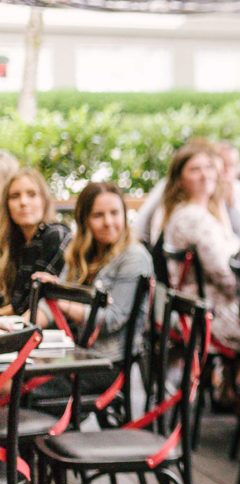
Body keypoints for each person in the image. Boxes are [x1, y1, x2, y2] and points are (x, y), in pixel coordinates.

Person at [31, 182, 152, 399]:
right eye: (98, 215)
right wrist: (22, 328)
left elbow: (112, 320)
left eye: (115, 213)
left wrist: (63, 302)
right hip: (75, 353)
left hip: (106, 362)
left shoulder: (134, 256)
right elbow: (51, 305)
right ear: (85, 220)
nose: (109, 222)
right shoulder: (79, 251)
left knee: (17, 386)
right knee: (16, 374)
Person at [159, 142, 240, 350]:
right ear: (179, 180)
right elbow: (225, 274)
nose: (205, 174)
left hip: (201, 310)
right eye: (195, 169)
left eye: (208, 167)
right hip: (210, 315)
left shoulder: (199, 212)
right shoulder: (192, 218)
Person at [0, 168, 70, 316]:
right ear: (6, 204)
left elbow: (26, 304)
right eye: (15, 196)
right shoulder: (13, 243)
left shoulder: (56, 235)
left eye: (32, 194)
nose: (23, 202)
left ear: (44, 200)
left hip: (50, 332)